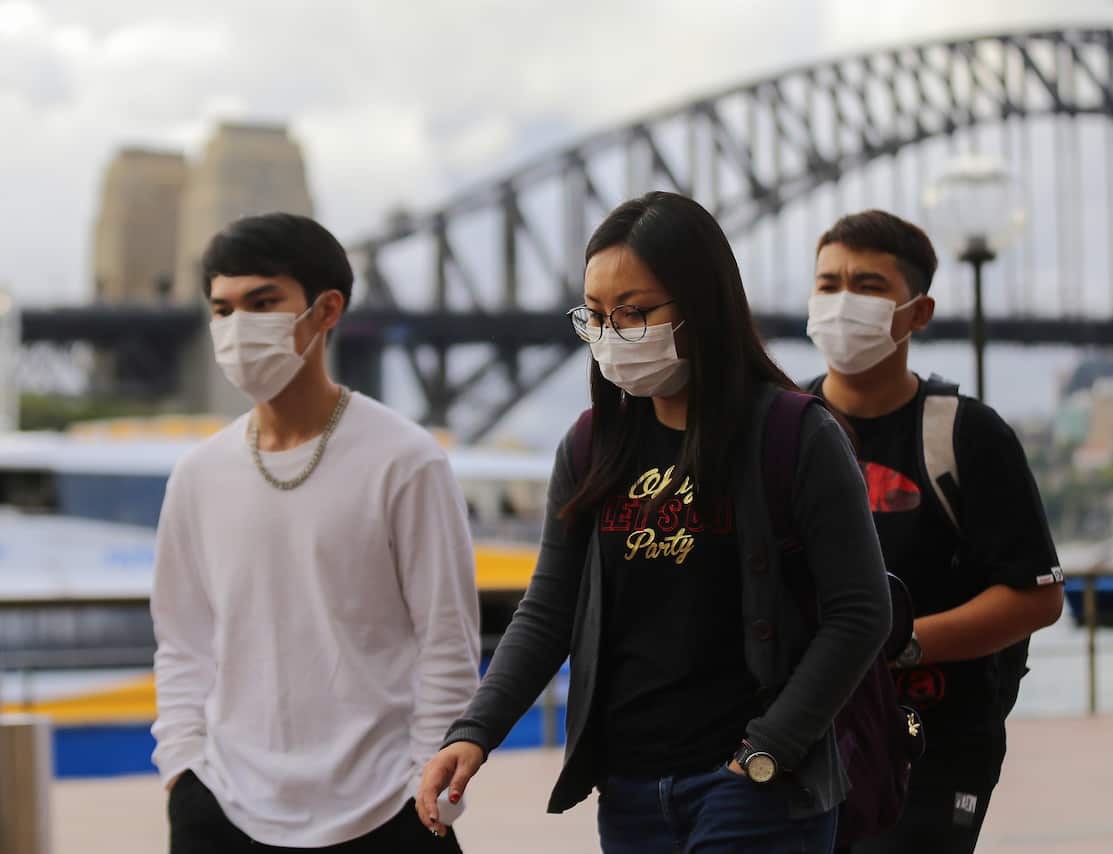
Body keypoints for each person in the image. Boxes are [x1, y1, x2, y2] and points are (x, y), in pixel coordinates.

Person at [416, 191, 891, 853]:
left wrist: (770, 749)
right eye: (597, 317)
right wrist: (473, 731)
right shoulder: (590, 448)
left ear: (701, 305)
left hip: (752, 791)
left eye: (635, 313)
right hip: (632, 793)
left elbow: (861, 610)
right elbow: (548, 610)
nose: (612, 336)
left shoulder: (793, 435)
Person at [150, 212, 481, 853]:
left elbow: (447, 641)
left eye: (263, 302)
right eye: (222, 308)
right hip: (221, 807)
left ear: (326, 310)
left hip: (387, 808)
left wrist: (427, 786)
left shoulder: (406, 460)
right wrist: (181, 770)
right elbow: (181, 640)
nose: (237, 326)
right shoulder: (197, 474)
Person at [803, 210, 1064, 853]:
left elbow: (1037, 595)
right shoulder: (784, 427)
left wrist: (899, 644)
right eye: (827, 283)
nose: (842, 303)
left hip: (935, 742)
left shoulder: (969, 436)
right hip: (804, 736)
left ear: (919, 313)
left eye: (867, 286)